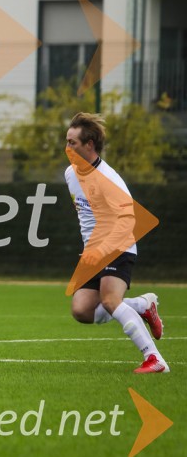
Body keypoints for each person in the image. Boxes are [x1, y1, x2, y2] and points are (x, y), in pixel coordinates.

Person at [64, 112, 167, 374]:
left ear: (90, 145)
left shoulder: (109, 179)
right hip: (94, 251)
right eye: (66, 142)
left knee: (110, 300)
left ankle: (154, 358)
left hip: (118, 246)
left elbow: (126, 221)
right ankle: (143, 306)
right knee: (82, 311)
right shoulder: (70, 174)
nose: (67, 148)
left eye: (73, 143)